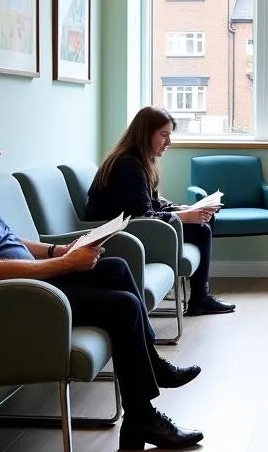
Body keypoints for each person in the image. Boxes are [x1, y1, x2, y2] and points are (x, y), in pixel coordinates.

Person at [0, 110, 203, 452]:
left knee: (117, 269)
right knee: (123, 306)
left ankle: (150, 369)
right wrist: (66, 264)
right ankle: (142, 417)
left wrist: (56, 250)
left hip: (30, 284)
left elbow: (9, 240)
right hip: (9, 299)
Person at [87, 106, 234, 316]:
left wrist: (179, 209)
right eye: (163, 135)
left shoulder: (137, 160)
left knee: (205, 221)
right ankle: (200, 298)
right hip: (122, 235)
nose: (169, 142)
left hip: (134, 227)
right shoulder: (128, 165)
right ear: (145, 134)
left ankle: (201, 296)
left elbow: (149, 203)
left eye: (170, 135)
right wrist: (184, 216)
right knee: (201, 229)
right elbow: (143, 216)